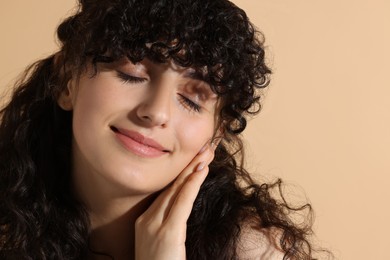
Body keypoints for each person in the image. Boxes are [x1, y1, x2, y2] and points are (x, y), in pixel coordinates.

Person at [0, 0, 318, 259]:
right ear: (68, 80)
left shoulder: (256, 252)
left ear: (217, 134)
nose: (156, 112)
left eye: (193, 100)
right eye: (132, 73)